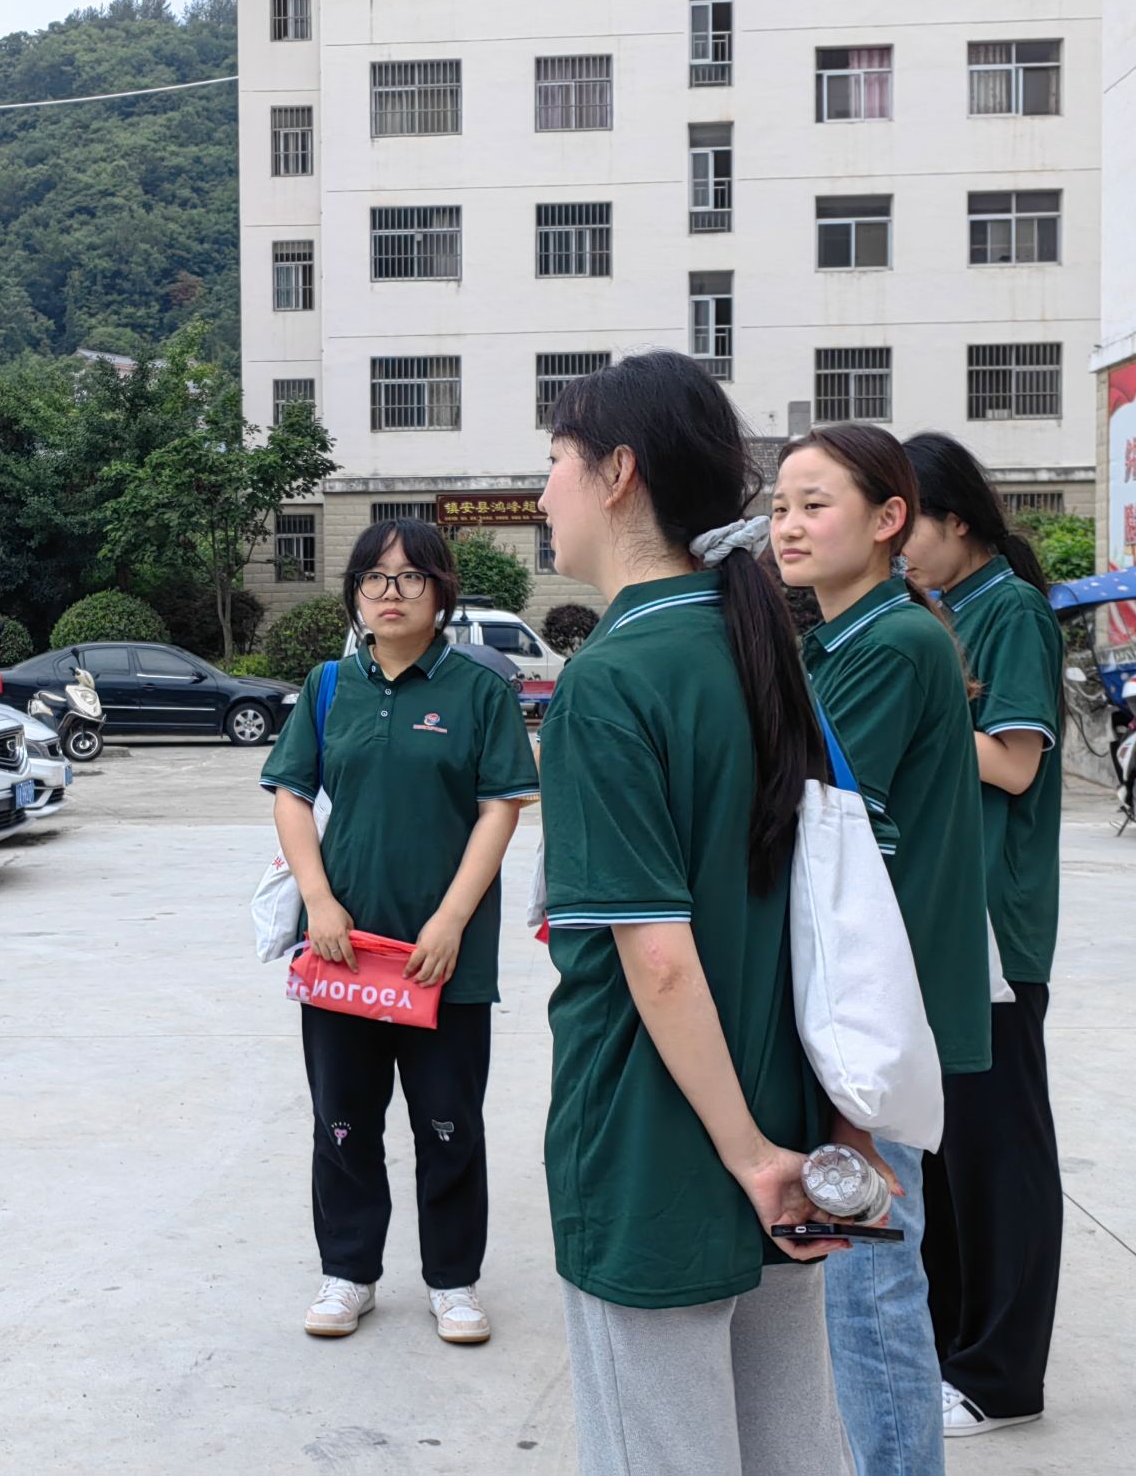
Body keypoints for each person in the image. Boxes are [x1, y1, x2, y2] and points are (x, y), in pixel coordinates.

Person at [537, 351, 856, 1475]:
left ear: (617, 473)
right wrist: (794, 1144)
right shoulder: (756, 651)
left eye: (556, 461)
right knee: (790, 1446)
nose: (542, 492)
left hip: (659, 1143)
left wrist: (746, 1156)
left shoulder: (609, 679)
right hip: (782, 1117)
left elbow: (658, 959)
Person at [772, 424, 994, 1475]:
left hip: (872, 1001)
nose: (787, 526)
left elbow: (818, 824)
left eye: (814, 504)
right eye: (779, 507)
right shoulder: (836, 642)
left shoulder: (891, 644)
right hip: (864, 993)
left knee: (867, 1281)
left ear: (887, 519)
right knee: (857, 1270)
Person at [261, 519, 538, 1345]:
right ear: (355, 592)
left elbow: (500, 808)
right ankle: (348, 1272)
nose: (391, 593)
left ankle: (453, 1281)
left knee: (449, 1124)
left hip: (442, 960)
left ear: (441, 591)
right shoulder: (328, 687)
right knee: (342, 1120)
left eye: (411, 577)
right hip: (343, 953)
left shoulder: (480, 691)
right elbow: (291, 795)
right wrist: (319, 901)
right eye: (374, 578)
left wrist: (450, 920)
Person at [901, 431, 1065, 1439]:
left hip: (992, 929)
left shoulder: (1007, 612)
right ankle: (951, 1349)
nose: (896, 549)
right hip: (942, 921)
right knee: (945, 1152)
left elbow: (1011, 763)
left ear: (957, 521)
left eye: (907, 525)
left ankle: (1002, 1379)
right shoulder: (943, 611)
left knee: (999, 1158)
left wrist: (911, 712)